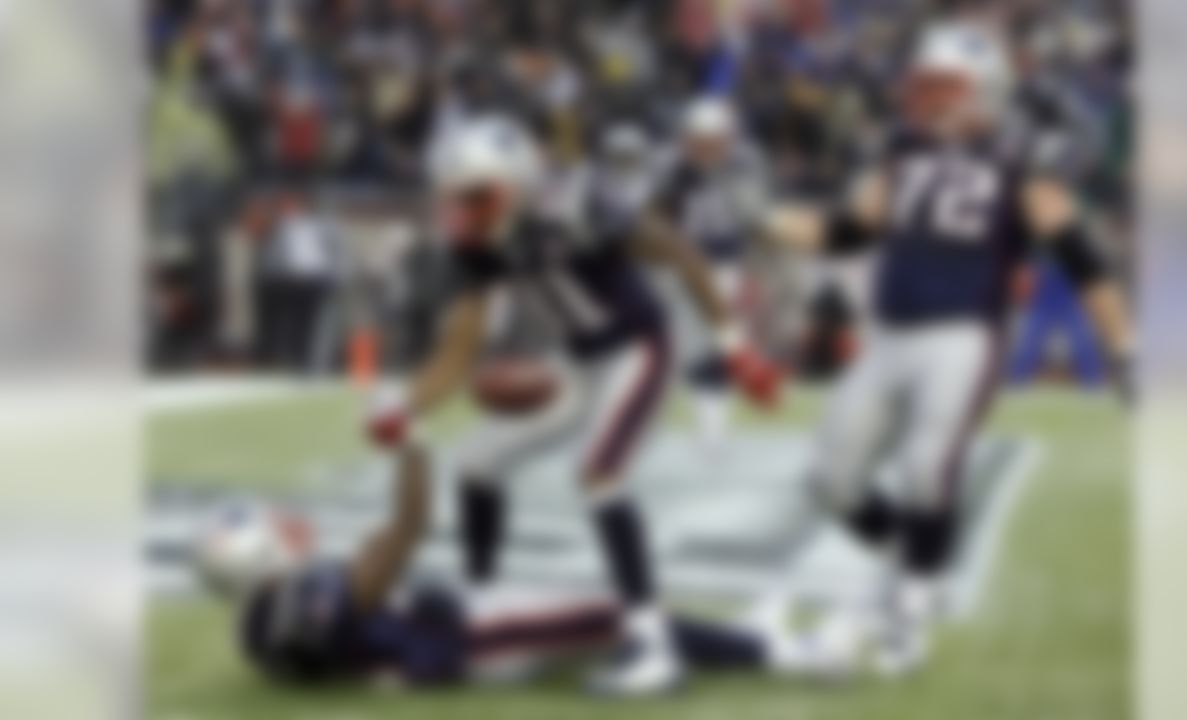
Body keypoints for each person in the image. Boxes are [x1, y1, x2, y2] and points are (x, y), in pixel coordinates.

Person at [366, 116, 781, 695]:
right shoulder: (484, 245)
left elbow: (681, 253)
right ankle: (483, 599)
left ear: (515, 183)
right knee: (477, 462)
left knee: (598, 475)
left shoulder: (578, 201)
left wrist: (736, 347)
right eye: (456, 201)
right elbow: (460, 351)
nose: (465, 213)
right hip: (580, 362)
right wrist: (405, 407)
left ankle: (653, 645)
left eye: (476, 197)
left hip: (640, 347)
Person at [770, 20, 1134, 678]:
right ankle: (916, 563)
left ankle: (906, 613)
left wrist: (1123, 346)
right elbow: (849, 232)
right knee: (831, 480)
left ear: (982, 92)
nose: (924, 97)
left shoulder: (1023, 157)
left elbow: (1081, 257)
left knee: (926, 471)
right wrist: (765, 218)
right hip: (888, 336)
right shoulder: (902, 150)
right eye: (922, 84)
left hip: (963, 333)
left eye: (941, 86)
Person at [193, 435, 848, 690]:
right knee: (623, 617)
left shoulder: (258, 624)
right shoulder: (311, 598)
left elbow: (350, 603)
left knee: (610, 615)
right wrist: (414, 445)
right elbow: (406, 532)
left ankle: (750, 633)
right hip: (466, 642)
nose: (286, 524)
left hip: (442, 632)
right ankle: (789, 652)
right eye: (272, 529)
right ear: (262, 554)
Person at [653, 97, 774, 452]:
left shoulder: (745, 162)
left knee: (715, 345)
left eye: (714, 139)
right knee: (671, 343)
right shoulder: (668, 165)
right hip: (675, 265)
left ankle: (712, 426)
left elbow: (755, 215)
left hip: (723, 263)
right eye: (698, 139)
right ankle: (654, 418)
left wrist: (755, 265)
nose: (706, 148)